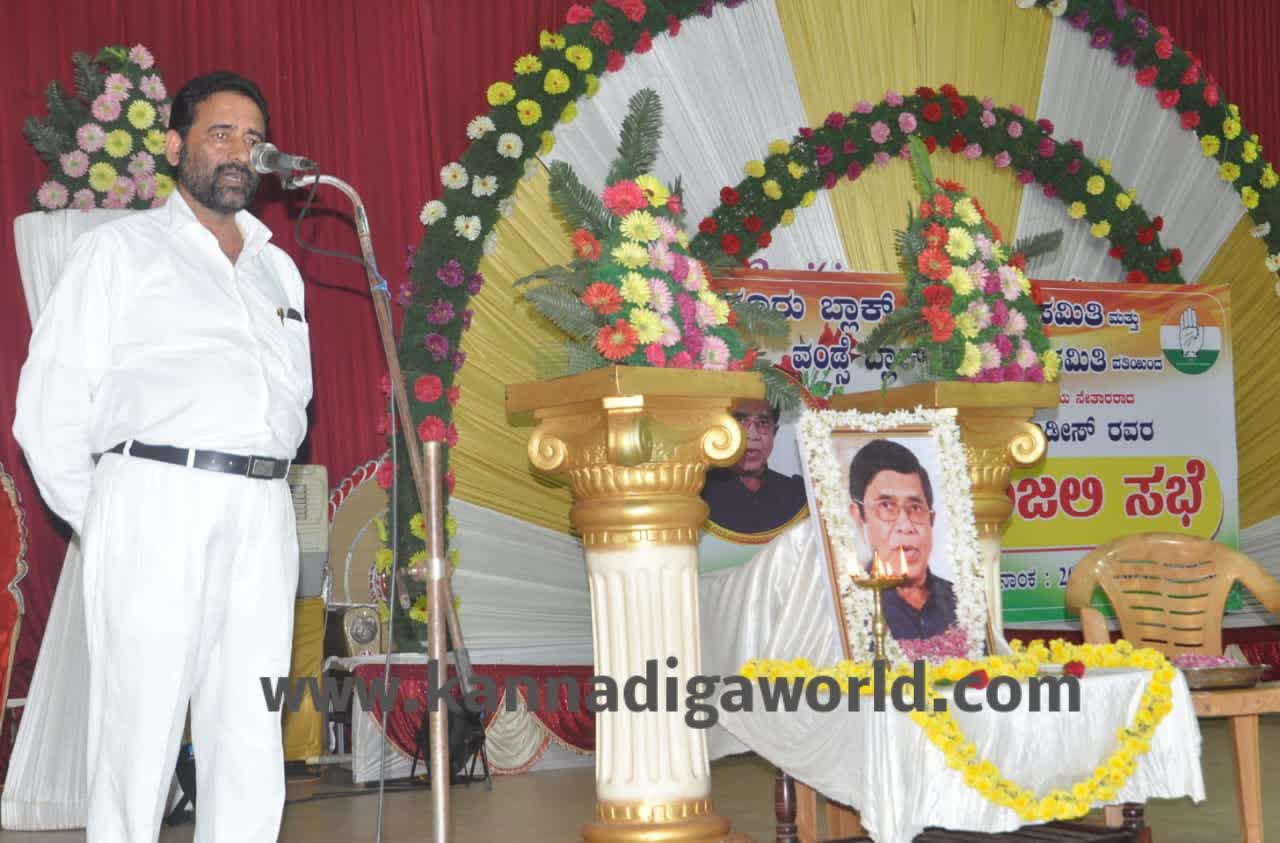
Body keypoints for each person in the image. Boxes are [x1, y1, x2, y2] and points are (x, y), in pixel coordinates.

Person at [12, 71, 311, 841]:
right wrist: (114, 516)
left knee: (250, 733)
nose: (240, 151)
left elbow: (294, 400)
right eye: (221, 133)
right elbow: (47, 413)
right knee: (137, 733)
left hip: (263, 511)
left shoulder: (279, 268)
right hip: (154, 501)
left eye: (253, 138)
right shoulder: (119, 251)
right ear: (175, 146)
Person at [848, 439, 957, 641]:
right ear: (859, 517)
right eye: (886, 506)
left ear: (931, 519)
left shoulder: (962, 602)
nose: (905, 526)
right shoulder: (848, 609)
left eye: (915, 508)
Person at [701, 398, 807, 536]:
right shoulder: (698, 490)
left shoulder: (797, 495)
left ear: (774, 432)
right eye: (740, 421)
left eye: (763, 423)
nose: (752, 435)